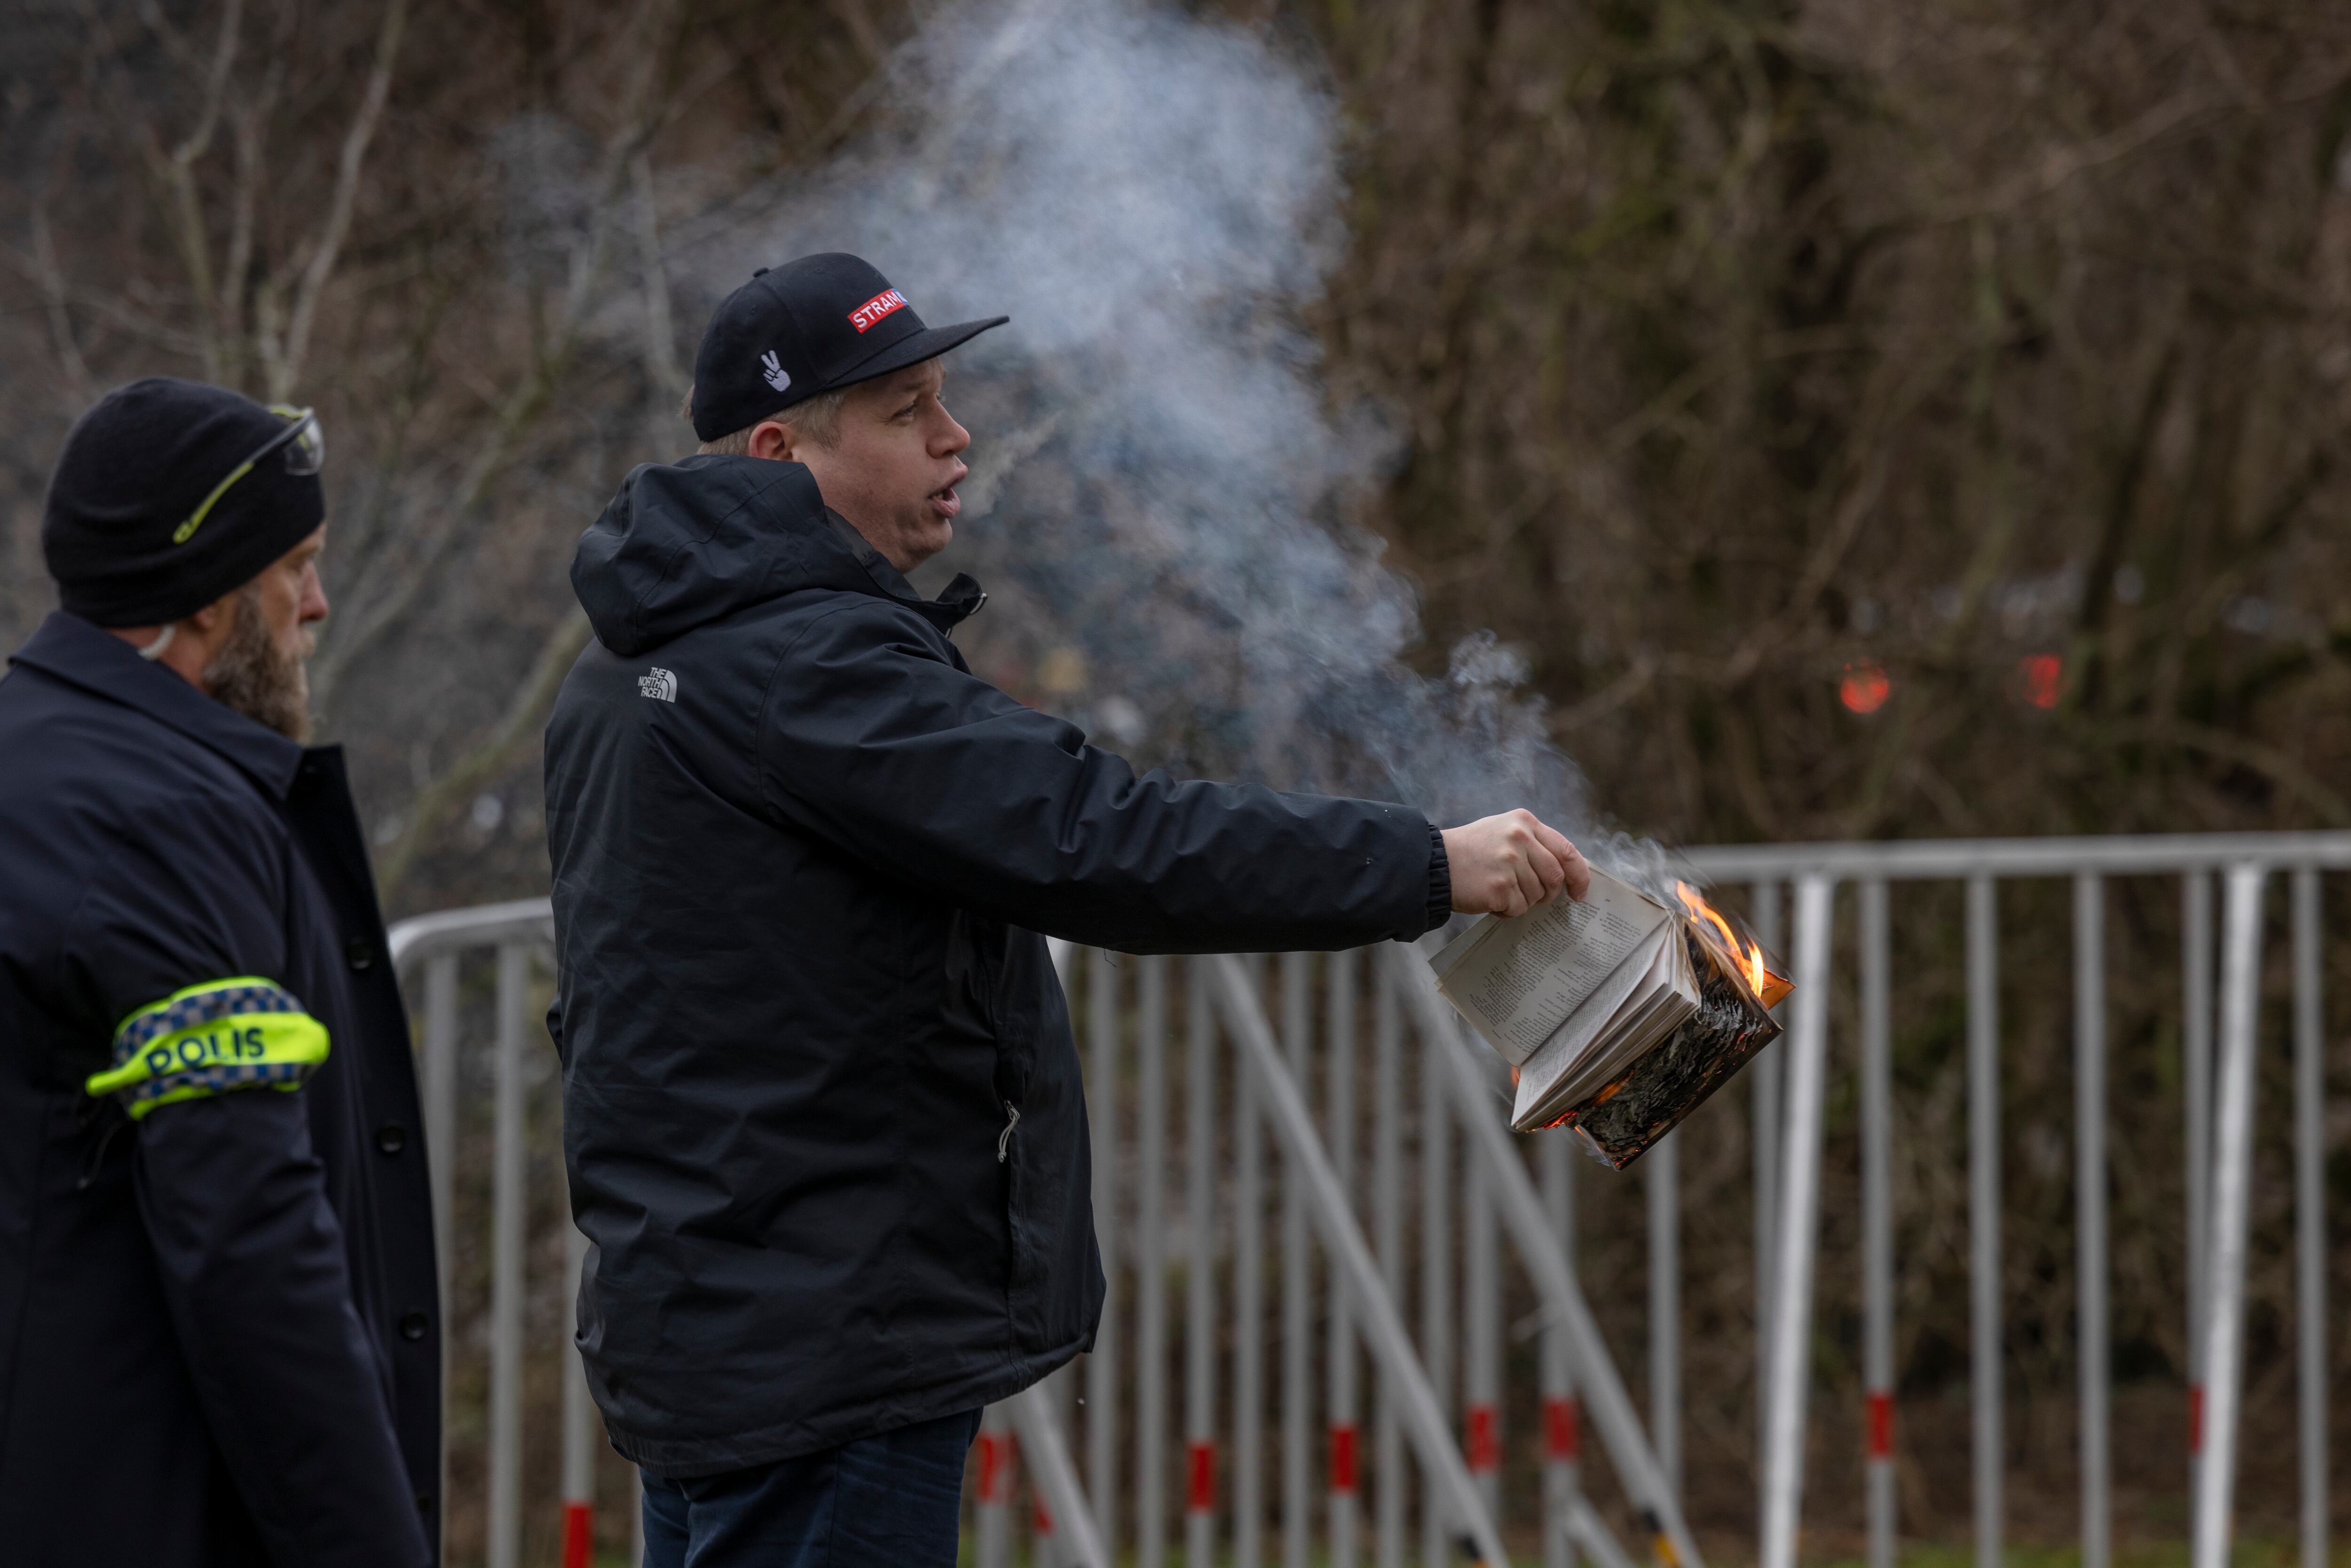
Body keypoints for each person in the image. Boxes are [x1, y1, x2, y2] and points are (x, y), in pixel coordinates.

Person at [543, 252, 1589, 1565]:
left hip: (710, 1322)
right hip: (827, 1338)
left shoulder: (629, 663)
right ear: (777, 452)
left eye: (943, 396)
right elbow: (1104, 839)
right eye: (906, 410)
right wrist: (1427, 865)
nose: (955, 434)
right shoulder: (808, 664)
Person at [0, 380, 440, 1566]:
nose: (318, 605)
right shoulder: (159, 819)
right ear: (208, 595)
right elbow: (247, 1230)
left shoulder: (30, 755)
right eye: (296, 567)